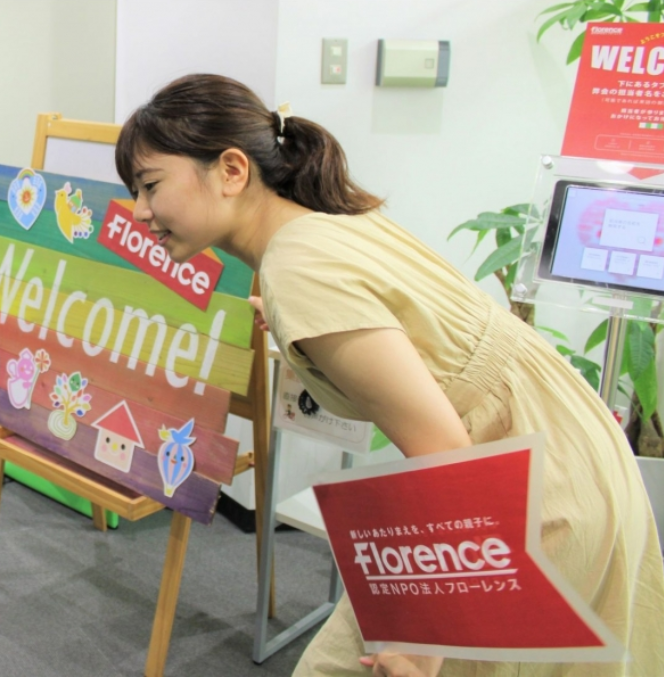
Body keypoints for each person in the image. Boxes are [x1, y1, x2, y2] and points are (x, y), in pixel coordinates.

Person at [115, 74, 664, 677]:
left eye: (150, 186)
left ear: (232, 170)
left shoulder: (298, 267)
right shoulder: (321, 223)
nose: (140, 211)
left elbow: (443, 449)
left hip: (516, 481)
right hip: (555, 441)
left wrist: (424, 641)